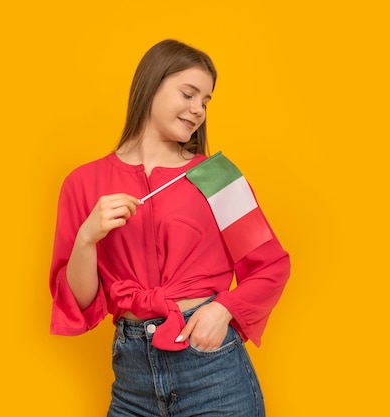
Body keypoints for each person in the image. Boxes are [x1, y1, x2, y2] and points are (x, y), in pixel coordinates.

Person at [49, 39, 291, 417]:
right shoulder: (83, 183)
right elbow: (78, 301)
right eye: (188, 94)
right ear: (151, 85)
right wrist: (86, 237)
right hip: (131, 378)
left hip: (213, 371)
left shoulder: (216, 176)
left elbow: (271, 265)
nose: (198, 110)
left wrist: (222, 310)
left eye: (206, 101)